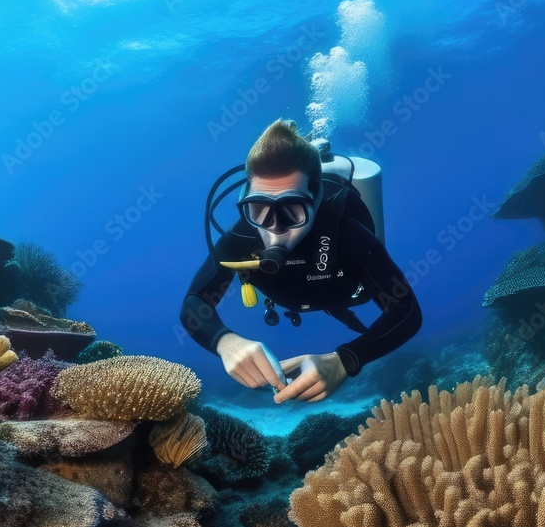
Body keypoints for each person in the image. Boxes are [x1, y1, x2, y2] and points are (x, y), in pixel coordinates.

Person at [180, 119, 422, 403]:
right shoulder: (242, 236)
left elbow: (406, 309)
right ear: (247, 200)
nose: (275, 228)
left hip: (346, 293)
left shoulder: (347, 232)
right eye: (259, 210)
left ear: (315, 199)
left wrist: (346, 360)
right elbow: (196, 301)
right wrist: (224, 341)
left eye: (292, 209)